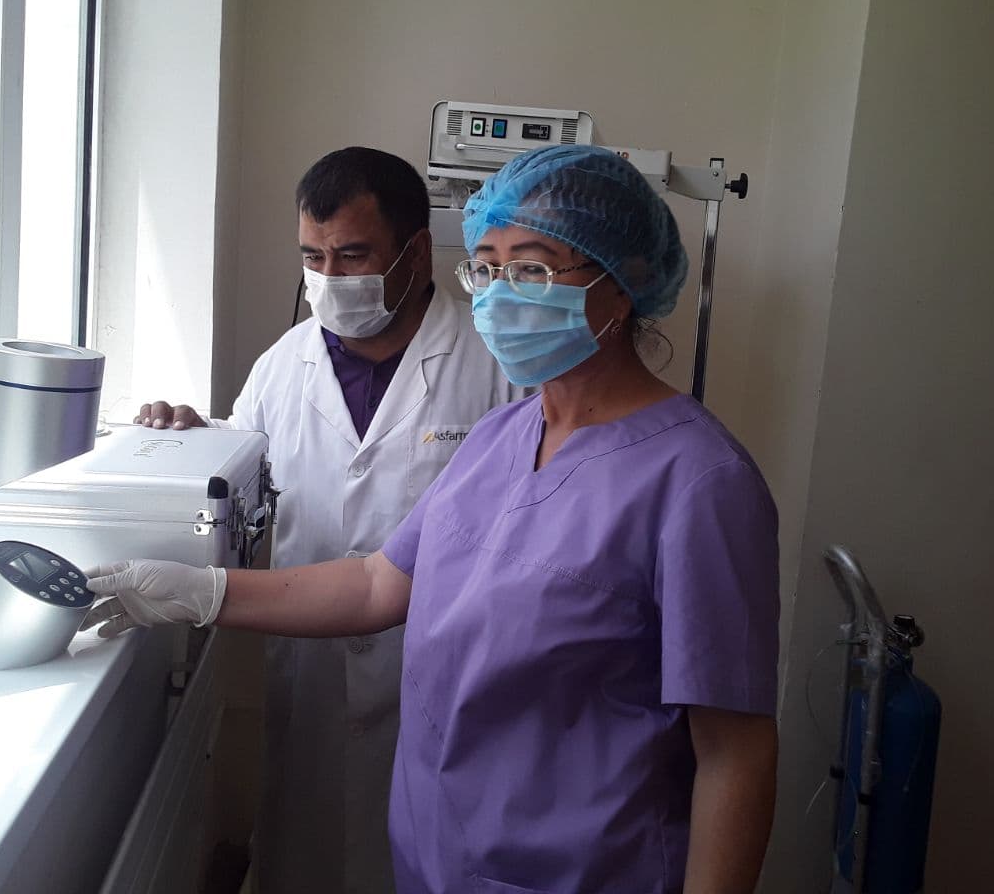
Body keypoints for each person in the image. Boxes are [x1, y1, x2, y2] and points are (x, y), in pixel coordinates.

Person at [93, 144, 780, 893]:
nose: (501, 295)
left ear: (624, 282)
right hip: (437, 856)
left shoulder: (701, 481)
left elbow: (734, 754)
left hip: (584, 869)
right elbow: (374, 585)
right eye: (485, 267)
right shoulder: (500, 437)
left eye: (533, 269)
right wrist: (198, 591)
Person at [132, 147, 520, 894]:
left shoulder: (497, 365)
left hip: (444, 684)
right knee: (305, 856)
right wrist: (193, 441)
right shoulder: (283, 365)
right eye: (313, 257)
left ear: (416, 251)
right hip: (309, 678)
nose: (330, 278)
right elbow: (241, 478)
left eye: (353, 255)